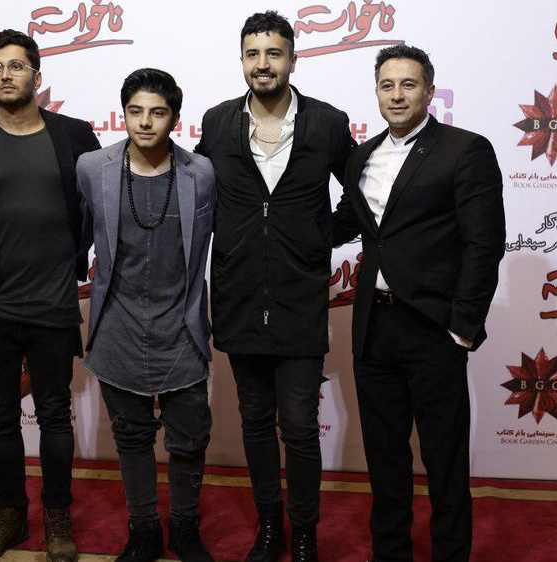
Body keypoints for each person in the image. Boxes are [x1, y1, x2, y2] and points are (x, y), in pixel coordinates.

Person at [332, 45, 506, 562]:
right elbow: (342, 225)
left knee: (444, 459)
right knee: (385, 458)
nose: (397, 95)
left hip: (434, 328)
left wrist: (462, 328)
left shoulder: (465, 149)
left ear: (429, 91)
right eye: (387, 85)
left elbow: (484, 244)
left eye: (408, 85)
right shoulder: (361, 156)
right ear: (376, 92)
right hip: (373, 328)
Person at [195, 10, 356, 562]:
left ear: (293, 59)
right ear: (242, 60)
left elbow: (361, 190)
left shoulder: (327, 123)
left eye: (273, 53)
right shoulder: (217, 122)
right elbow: (199, 195)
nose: (262, 64)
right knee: (255, 421)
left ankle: (304, 531)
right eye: (253, 54)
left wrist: (320, 236)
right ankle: (270, 527)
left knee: (301, 426)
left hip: (300, 297)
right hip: (238, 294)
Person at [0, 29, 99, 562]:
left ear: (37, 75)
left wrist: (75, 265)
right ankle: (9, 517)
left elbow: (98, 211)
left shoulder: (75, 136)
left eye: (16, 66)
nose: (6, 75)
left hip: (54, 307)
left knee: (55, 417)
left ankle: (57, 518)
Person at [77, 68, 217, 562]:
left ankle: (184, 528)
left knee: (190, 438)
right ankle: (143, 531)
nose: (144, 122)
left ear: (175, 118)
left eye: (157, 113)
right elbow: (76, 235)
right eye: (135, 111)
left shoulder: (201, 172)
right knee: (131, 438)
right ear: (123, 114)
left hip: (182, 325)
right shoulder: (92, 167)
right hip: (117, 324)